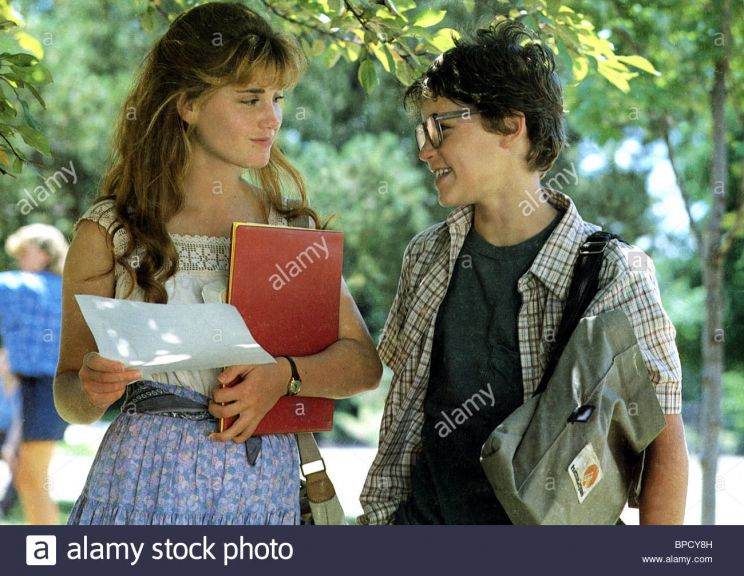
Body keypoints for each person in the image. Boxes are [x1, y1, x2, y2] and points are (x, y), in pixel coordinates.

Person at [54, 2, 381, 525]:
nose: (272, 118)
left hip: (261, 494)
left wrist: (285, 376)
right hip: (142, 489)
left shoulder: (289, 231)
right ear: (187, 104)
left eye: (277, 98)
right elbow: (68, 393)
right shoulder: (109, 232)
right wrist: (91, 388)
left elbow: (364, 365)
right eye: (250, 99)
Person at [360, 20, 689, 525]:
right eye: (421, 131)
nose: (425, 149)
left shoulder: (615, 274)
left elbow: (663, 448)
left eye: (440, 127)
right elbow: (408, 410)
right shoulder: (426, 255)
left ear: (511, 127)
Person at [0, 224, 69, 524]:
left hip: (39, 390)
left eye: (24, 254)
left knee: (32, 475)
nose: (20, 261)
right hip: (49, 390)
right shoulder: (66, 289)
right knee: (28, 475)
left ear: (45, 254)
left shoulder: (21, 287)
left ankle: (48, 546)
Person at [0, 348, 21, 517]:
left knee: (20, 464)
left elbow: (18, 421)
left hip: (12, 434)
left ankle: (3, 507)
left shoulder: (21, 388)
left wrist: (10, 446)